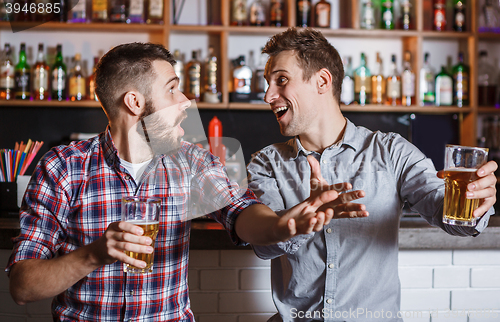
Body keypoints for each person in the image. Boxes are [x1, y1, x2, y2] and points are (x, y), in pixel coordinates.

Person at [6, 42, 365, 321]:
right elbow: (22, 286)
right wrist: (94, 254)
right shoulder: (62, 167)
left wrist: (286, 224)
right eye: (173, 89)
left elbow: (241, 213)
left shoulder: (192, 163)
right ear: (134, 102)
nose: (186, 101)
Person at [247, 27, 498, 322]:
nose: (268, 95)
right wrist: (295, 224)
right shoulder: (267, 162)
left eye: (281, 80)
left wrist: (475, 202)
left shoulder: (391, 151)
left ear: (322, 81)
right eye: (268, 83)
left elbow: (447, 211)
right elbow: (262, 245)